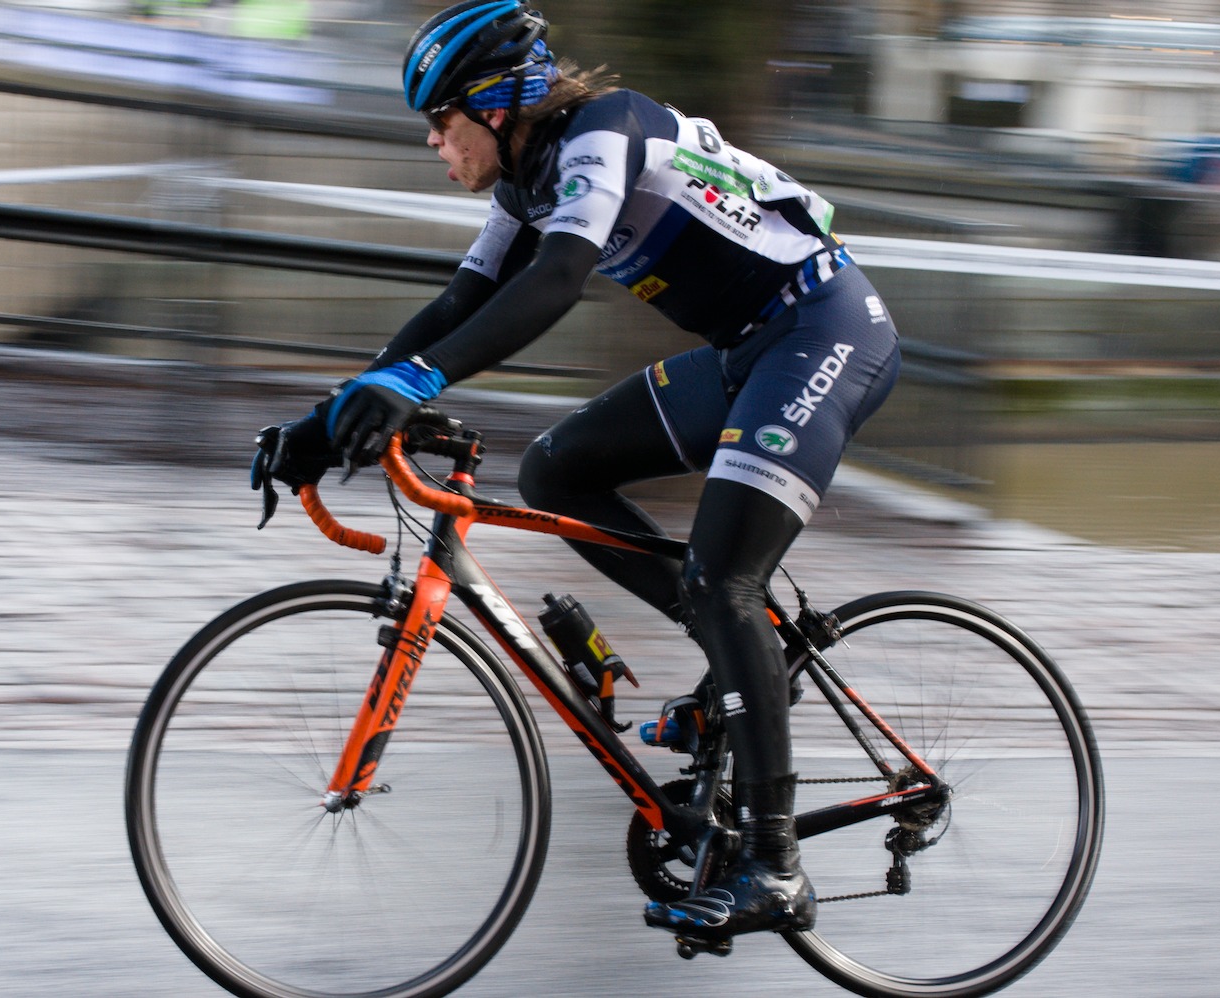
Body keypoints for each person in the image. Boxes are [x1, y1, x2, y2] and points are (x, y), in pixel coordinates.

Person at [250, 0, 900, 942]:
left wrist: (418, 383)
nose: (435, 144)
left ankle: (775, 868)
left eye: (441, 122)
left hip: (824, 330)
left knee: (726, 580)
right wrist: (323, 421)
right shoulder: (524, 184)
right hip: (745, 353)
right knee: (555, 471)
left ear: (496, 107)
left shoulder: (608, 128)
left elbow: (555, 283)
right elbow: (457, 306)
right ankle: (739, 657)